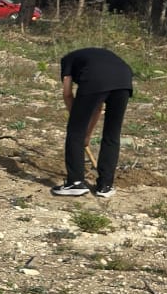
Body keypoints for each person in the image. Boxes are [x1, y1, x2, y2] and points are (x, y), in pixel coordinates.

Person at [53, 47, 134, 198]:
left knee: (74, 132)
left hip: (96, 78)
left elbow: (67, 93)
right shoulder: (94, 57)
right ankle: (105, 185)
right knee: (112, 134)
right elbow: (97, 108)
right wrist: (87, 134)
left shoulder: (67, 60)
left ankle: (75, 183)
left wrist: (78, 121)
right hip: (124, 79)